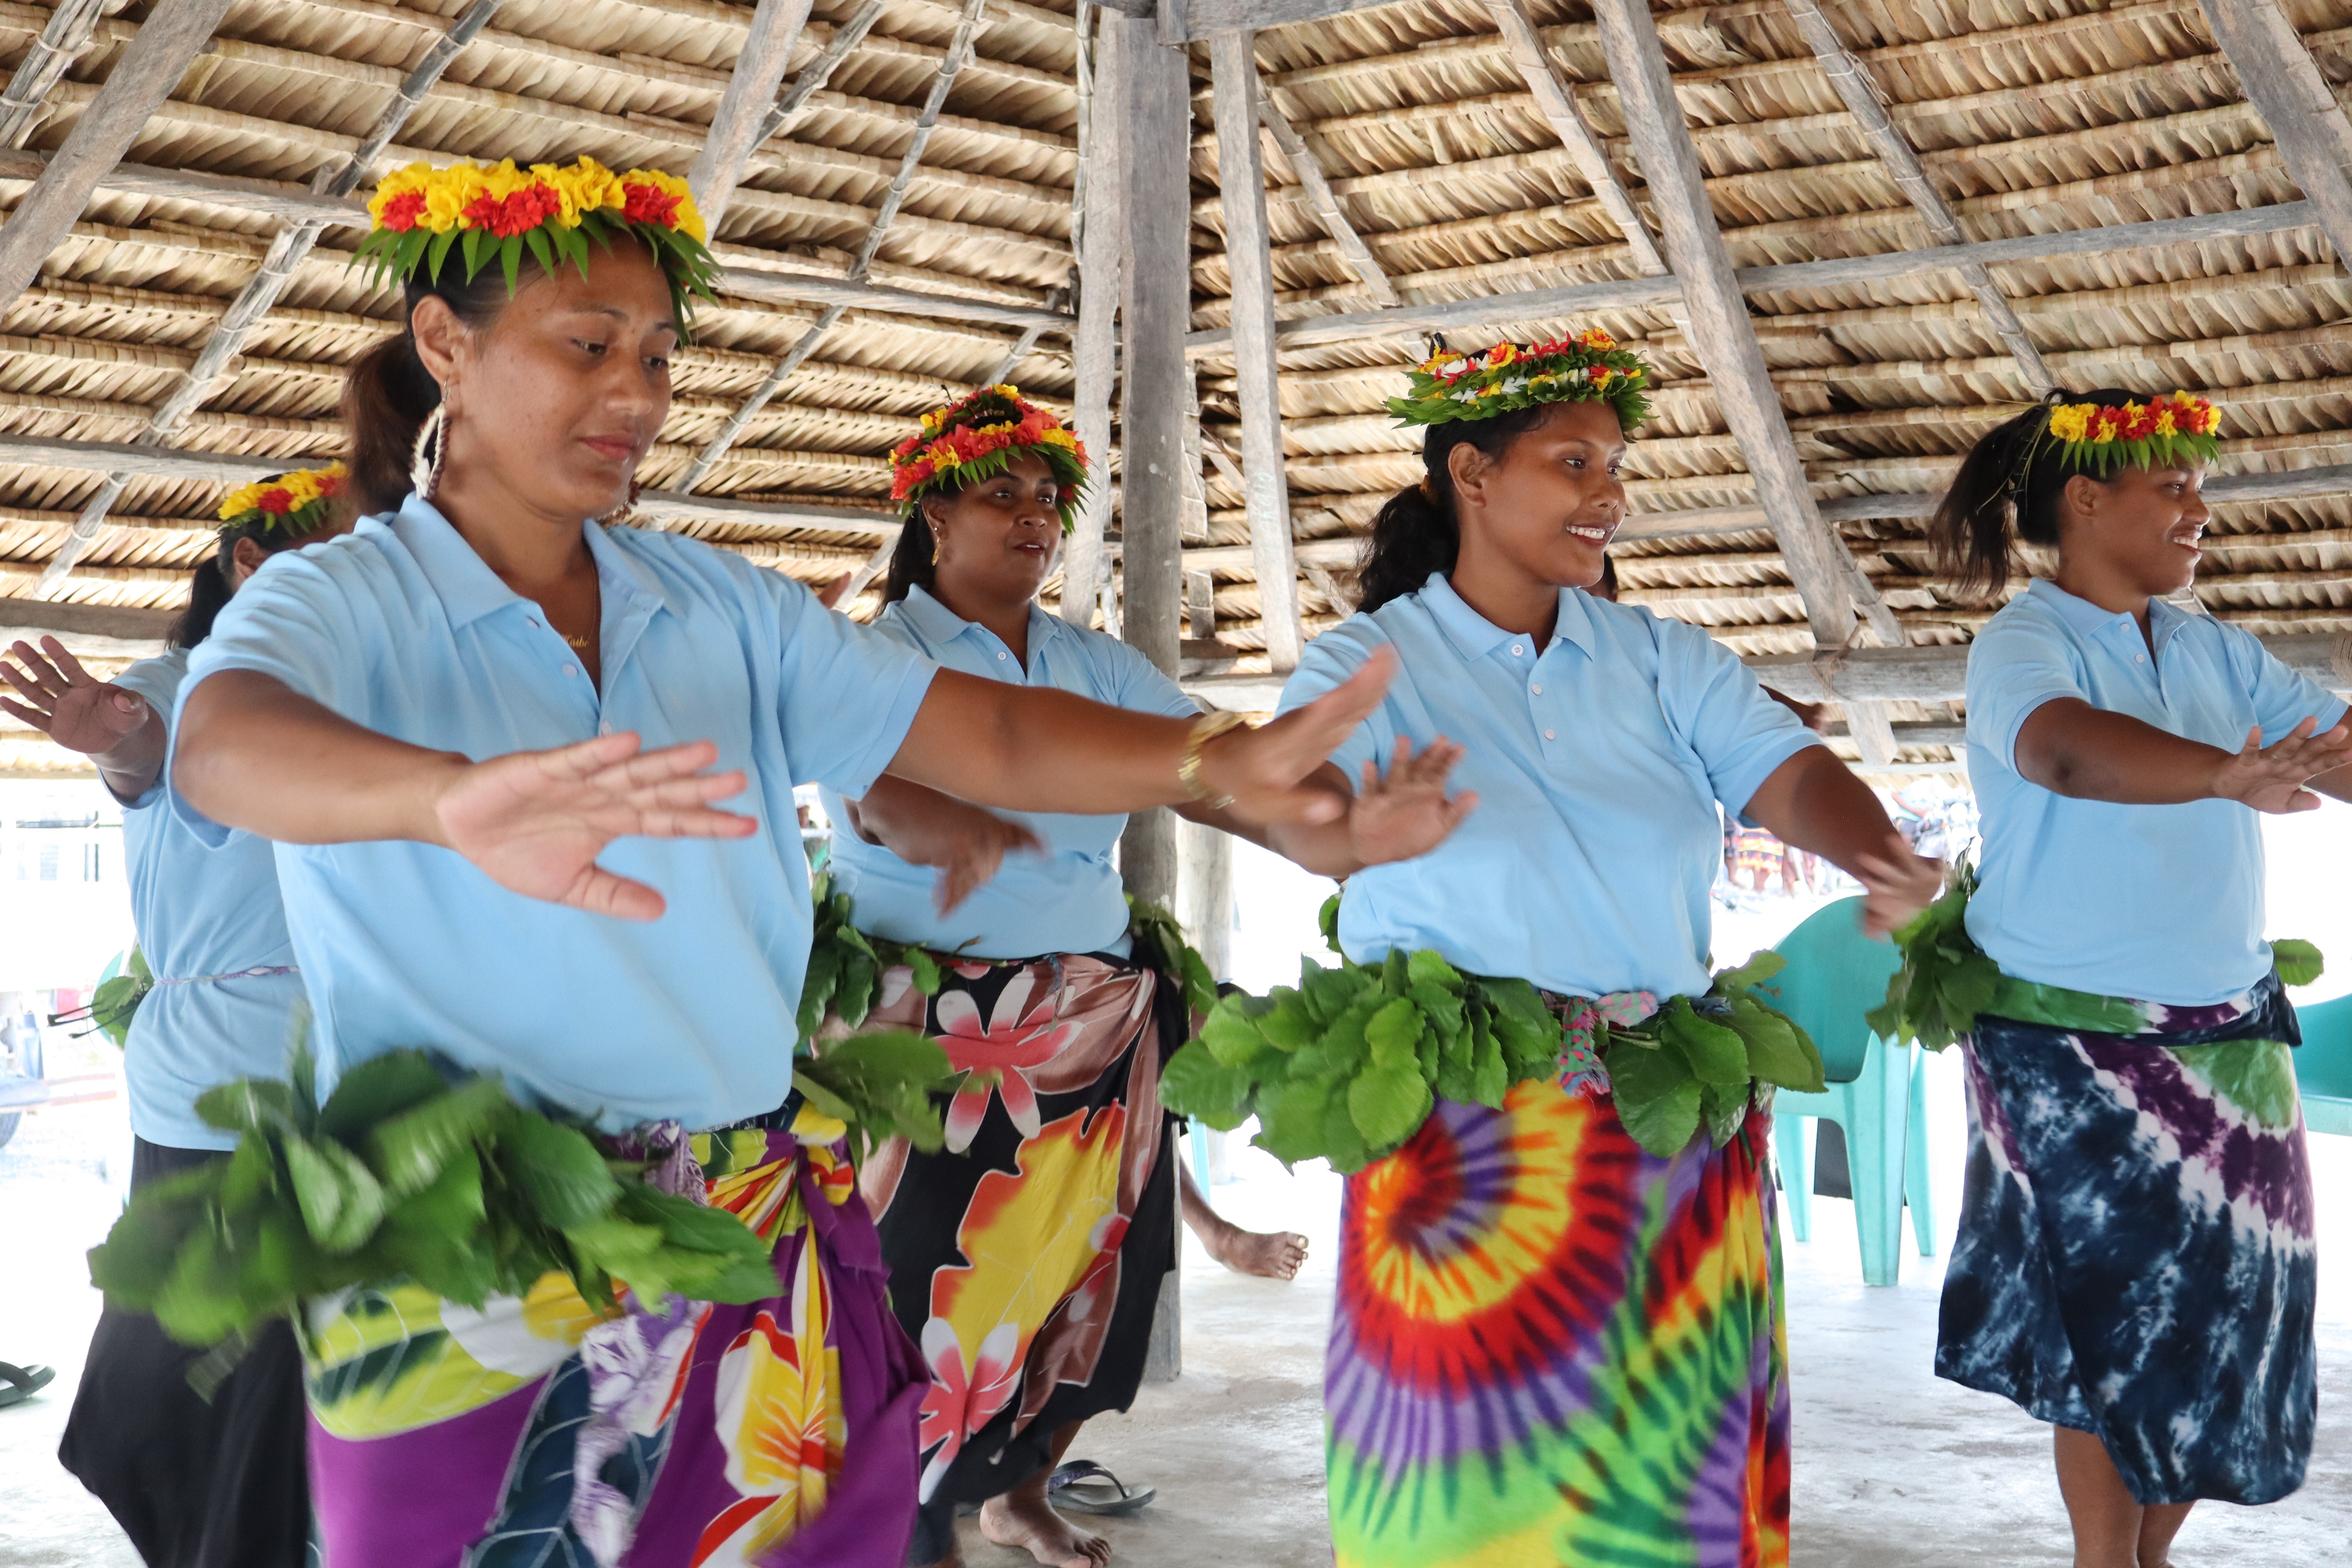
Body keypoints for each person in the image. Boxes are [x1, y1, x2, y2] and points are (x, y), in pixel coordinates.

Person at [158, 156, 1394, 1568]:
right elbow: (227, 742)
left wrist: (1206, 763)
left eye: (658, 357)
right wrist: (448, 798)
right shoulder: (345, 595)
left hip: (744, 1218)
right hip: (474, 1263)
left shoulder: (717, 605)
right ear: (447, 344)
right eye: (588, 346)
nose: (636, 394)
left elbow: (973, 731)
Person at [1265, 334, 1944, 1568]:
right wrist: (1350, 829)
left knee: (1659, 1474)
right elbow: (1293, 806)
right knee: (1464, 1476)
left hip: (1662, 1125)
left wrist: (1876, 852)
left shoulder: (1659, 657)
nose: (1609, 495)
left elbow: (1783, 774)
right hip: (1463, 1145)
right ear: (1471, 474)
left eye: (1615, 464)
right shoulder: (1365, 667)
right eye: (1574, 462)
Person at [813, 388, 1448, 1568]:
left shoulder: (1091, 665)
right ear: (932, 512)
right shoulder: (877, 651)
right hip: (925, 1031)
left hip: (1092, 1020)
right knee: (920, 1284)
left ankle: (1020, 1488)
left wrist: (1340, 839)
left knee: (1081, 1277)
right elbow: (870, 791)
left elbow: (1215, 777)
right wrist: (938, 826)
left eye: (1050, 497)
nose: (1034, 517)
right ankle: (908, 1520)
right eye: (1000, 492)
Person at [1923, 388, 2352, 1568]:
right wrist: (2225, 775)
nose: (2199, 511)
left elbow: (2333, 745)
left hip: (2230, 1039)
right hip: (2066, 1045)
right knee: (2106, 1334)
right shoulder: (2028, 640)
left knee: (2219, 1324)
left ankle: (2146, 1561)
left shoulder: (2215, 647)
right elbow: (2061, 748)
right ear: (2088, 499)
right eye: (2174, 489)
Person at [1, 465, 354, 1568]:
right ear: (248, 566)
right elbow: (141, 747)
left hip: (358, 1080)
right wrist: (110, 736)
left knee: (296, 1386)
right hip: (224, 1085)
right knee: (212, 1388)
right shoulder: (188, 681)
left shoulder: (369, 695)